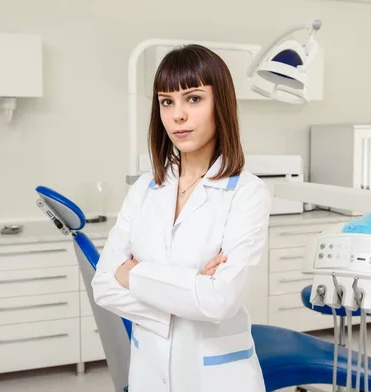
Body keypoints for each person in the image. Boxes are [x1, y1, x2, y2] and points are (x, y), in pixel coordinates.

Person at [91, 44, 272, 392]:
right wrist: (187, 292)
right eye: (166, 101)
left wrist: (133, 273)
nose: (178, 115)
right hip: (148, 374)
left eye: (193, 98)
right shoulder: (145, 188)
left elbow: (220, 300)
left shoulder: (247, 193)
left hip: (219, 378)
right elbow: (103, 285)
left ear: (221, 103)